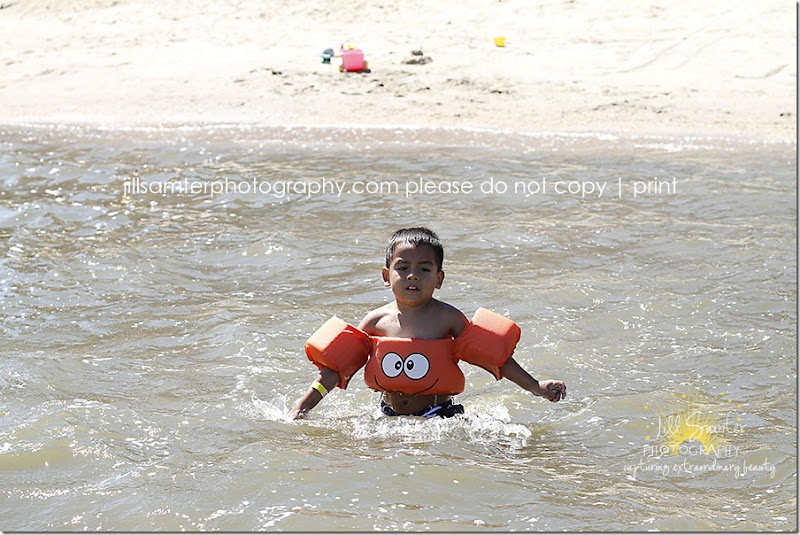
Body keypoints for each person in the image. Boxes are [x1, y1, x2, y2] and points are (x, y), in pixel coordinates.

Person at [290, 227, 566, 419]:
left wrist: (536, 386)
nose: (413, 275)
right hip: (387, 415)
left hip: (440, 416)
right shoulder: (375, 321)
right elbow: (335, 370)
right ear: (386, 276)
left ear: (439, 278)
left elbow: (496, 357)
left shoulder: (448, 319)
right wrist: (303, 406)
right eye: (402, 268)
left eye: (424, 269)